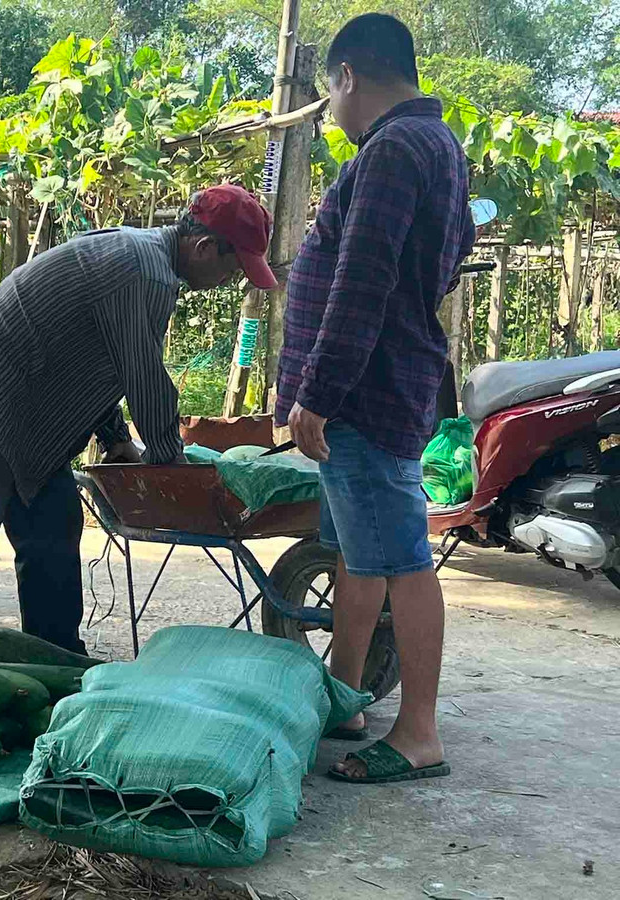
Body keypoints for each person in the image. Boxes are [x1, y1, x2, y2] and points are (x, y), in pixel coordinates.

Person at [0, 185, 280, 658]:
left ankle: (55, 659)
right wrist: (171, 462)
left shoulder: (143, 254)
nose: (230, 281)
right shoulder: (146, 274)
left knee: (52, 532)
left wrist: (115, 438)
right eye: (234, 269)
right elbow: (144, 376)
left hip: (30, 411)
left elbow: (92, 360)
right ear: (205, 247)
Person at [274, 14, 475, 783]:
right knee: (361, 555)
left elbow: (362, 281)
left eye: (329, 92)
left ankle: (419, 732)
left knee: (402, 561)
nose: (330, 109)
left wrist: (318, 394)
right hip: (385, 380)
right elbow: (451, 255)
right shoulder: (438, 144)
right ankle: (346, 696)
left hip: (366, 392)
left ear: (349, 76)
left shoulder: (392, 150)